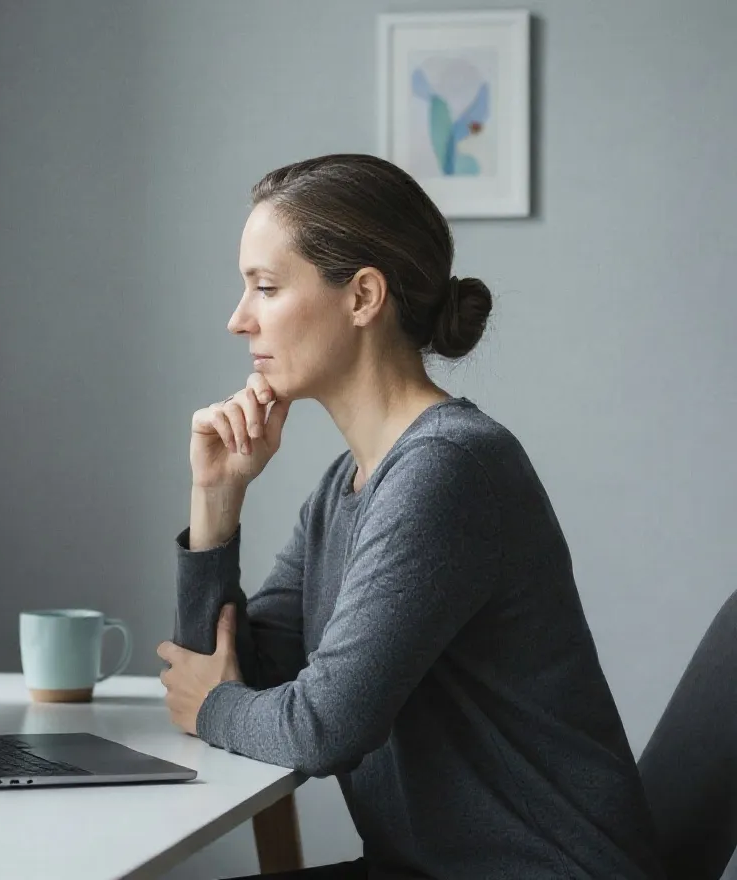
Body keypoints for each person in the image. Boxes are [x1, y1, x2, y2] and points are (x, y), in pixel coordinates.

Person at [155, 154, 665, 880]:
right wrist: (216, 498)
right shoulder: (350, 482)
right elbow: (235, 670)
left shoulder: (447, 470)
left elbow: (320, 728)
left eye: (265, 287)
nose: (239, 320)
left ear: (363, 296)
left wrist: (215, 708)